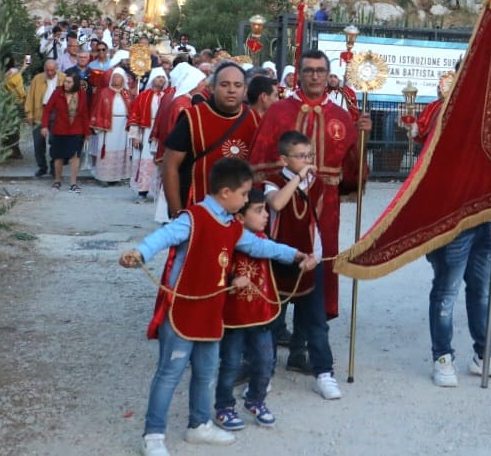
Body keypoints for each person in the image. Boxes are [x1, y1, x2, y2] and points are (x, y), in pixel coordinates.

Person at [119, 158, 311, 456]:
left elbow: (260, 246)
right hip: (183, 311)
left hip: (211, 313)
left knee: (207, 371)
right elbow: (163, 236)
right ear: (225, 192)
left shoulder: (232, 226)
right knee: (169, 373)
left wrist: (295, 255)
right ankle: (153, 435)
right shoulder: (193, 218)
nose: (248, 200)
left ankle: (199, 425)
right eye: (245, 194)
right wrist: (140, 253)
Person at [250, 49, 369, 324]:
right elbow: (258, 160)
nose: (315, 76)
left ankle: (305, 337)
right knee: (277, 258)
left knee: (317, 262)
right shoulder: (278, 112)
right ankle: (272, 325)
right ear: (299, 74)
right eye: (308, 70)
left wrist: (363, 138)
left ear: (328, 76)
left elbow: (353, 174)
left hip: (324, 207)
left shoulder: (341, 116)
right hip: (281, 203)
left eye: (320, 71)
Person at [263, 131, 339, 398]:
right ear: (284, 159)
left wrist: (316, 256)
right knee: (272, 320)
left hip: (308, 260)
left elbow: (316, 224)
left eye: (309, 155)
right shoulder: (272, 182)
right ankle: (264, 371)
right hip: (278, 260)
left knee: (316, 320)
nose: (307, 161)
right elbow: (278, 204)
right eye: (300, 156)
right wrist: (297, 178)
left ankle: (324, 372)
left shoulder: (316, 183)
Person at [213, 188, 295, 431]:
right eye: (259, 211)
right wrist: (230, 280)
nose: (265, 216)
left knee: (265, 360)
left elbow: (277, 254)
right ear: (239, 217)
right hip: (234, 318)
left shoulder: (263, 240)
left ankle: (256, 400)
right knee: (229, 363)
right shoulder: (228, 241)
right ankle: (224, 407)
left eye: (265, 210)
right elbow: (217, 271)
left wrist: (301, 259)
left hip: (261, 314)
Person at [161, 62, 261, 218]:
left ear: (245, 90)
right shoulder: (193, 118)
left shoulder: (255, 120)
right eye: (224, 84)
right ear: (212, 88)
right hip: (198, 209)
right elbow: (170, 165)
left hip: (242, 216)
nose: (231, 90)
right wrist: (177, 214)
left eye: (237, 85)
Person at [43, 71, 90, 192]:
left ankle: (73, 183)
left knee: (75, 156)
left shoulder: (82, 94)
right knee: (58, 156)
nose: (66, 84)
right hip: (59, 129)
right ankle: (57, 181)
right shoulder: (58, 92)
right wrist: (44, 126)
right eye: (65, 81)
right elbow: (47, 110)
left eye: (69, 82)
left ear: (75, 83)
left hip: (76, 130)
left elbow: (85, 114)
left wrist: (87, 134)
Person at [90, 68, 134, 185]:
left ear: (123, 79)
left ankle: (119, 176)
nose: (116, 79)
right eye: (114, 77)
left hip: (123, 125)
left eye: (118, 77)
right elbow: (98, 109)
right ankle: (104, 177)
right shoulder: (105, 92)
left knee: (121, 150)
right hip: (108, 125)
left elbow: (131, 108)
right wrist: (98, 124)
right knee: (107, 149)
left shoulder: (126, 93)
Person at [130, 67, 168, 200]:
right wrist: (135, 136)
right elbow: (135, 116)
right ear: (153, 79)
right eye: (159, 77)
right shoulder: (143, 96)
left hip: (162, 132)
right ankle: (143, 191)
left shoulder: (168, 96)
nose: (161, 80)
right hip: (147, 131)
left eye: (163, 77)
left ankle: (158, 191)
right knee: (145, 159)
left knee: (160, 160)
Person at [24, 58, 59, 177]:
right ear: (44, 69)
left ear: (57, 69)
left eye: (52, 70)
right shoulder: (37, 79)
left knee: (55, 141)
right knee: (38, 142)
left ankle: (55, 167)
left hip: (57, 113)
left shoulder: (63, 78)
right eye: (47, 70)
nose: (50, 73)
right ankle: (42, 167)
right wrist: (29, 113)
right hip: (40, 111)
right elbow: (30, 96)